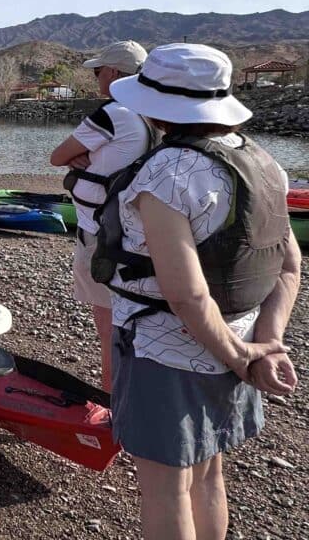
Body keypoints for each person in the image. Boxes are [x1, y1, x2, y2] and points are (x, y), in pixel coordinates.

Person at [98, 44, 299, 539]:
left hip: (165, 348)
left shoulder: (166, 174)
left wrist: (243, 358)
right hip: (240, 335)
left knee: (166, 487)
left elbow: (186, 295)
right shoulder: (264, 162)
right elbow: (288, 264)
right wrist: (261, 343)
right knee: (209, 471)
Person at [50, 40, 150, 392]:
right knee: (134, 319)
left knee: (107, 321)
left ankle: (112, 399)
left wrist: (87, 160)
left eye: (97, 72)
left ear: (112, 73)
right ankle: (130, 391)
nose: (96, 79)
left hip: (101, 234)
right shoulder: (152, 116)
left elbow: (58, 156)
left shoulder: (112, 113)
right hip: (138, 232)